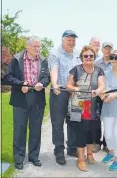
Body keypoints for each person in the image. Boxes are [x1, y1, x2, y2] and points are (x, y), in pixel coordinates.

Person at [4, 36, 50, 170]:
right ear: (27, 46)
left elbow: (47, 77)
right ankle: (19, 158)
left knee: (36, 130)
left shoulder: (43, 60)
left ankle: (34, 157)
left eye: (38, 46)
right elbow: (8, 77)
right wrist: (20, 84)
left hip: (37, 99)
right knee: (19, 130)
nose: (37, 49)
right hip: (20, 100)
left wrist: (42, 83)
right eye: (35, 46)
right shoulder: (16, 59)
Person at [66, 45, 105, 172]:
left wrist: (97, 91)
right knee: (81, 132)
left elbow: (102, 86)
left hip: (93, 106)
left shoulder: (99, 70)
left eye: (91, 56)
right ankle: (81, 159)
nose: (88, 58)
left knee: (91, 132)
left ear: (94, 57)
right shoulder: (75, 70)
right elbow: (68, 85)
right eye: (86, 56)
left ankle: (90, 154)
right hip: (79, 106)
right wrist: (74, 88)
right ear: (82, 57)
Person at [48, 30, 81, 165]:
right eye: (69, 40)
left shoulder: (77, 53)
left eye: (73, 40)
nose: (72, 43)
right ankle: (59, 151)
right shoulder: (55, 53)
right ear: (63, 40)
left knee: (74, 120)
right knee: (58, 123)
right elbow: (54, 69)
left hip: (74, 92)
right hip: (60, 91)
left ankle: (72, 148)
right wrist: (55, 84)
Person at [94, 42, 113, 153]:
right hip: (98, 95)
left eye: (109, 48)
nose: (107, 50)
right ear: (102, 49)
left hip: (110, 95)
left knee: (108, 120)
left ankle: (107, 143)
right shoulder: (96, 63)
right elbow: (94, 78)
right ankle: (97, 142)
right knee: (96, 119)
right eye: (105, 48)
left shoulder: (114, 62)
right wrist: (100, 92)